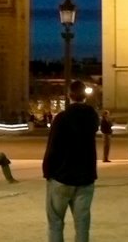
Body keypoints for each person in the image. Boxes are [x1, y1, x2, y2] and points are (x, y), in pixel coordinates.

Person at [42, 79, 99, 242]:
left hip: (62, 177)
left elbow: (52, 147)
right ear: (85, 96)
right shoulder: (93, 117)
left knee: (55, 223)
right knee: (82, 224)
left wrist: (47, 172)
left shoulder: (62, 118)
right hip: (86, 177)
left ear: (69, 95)